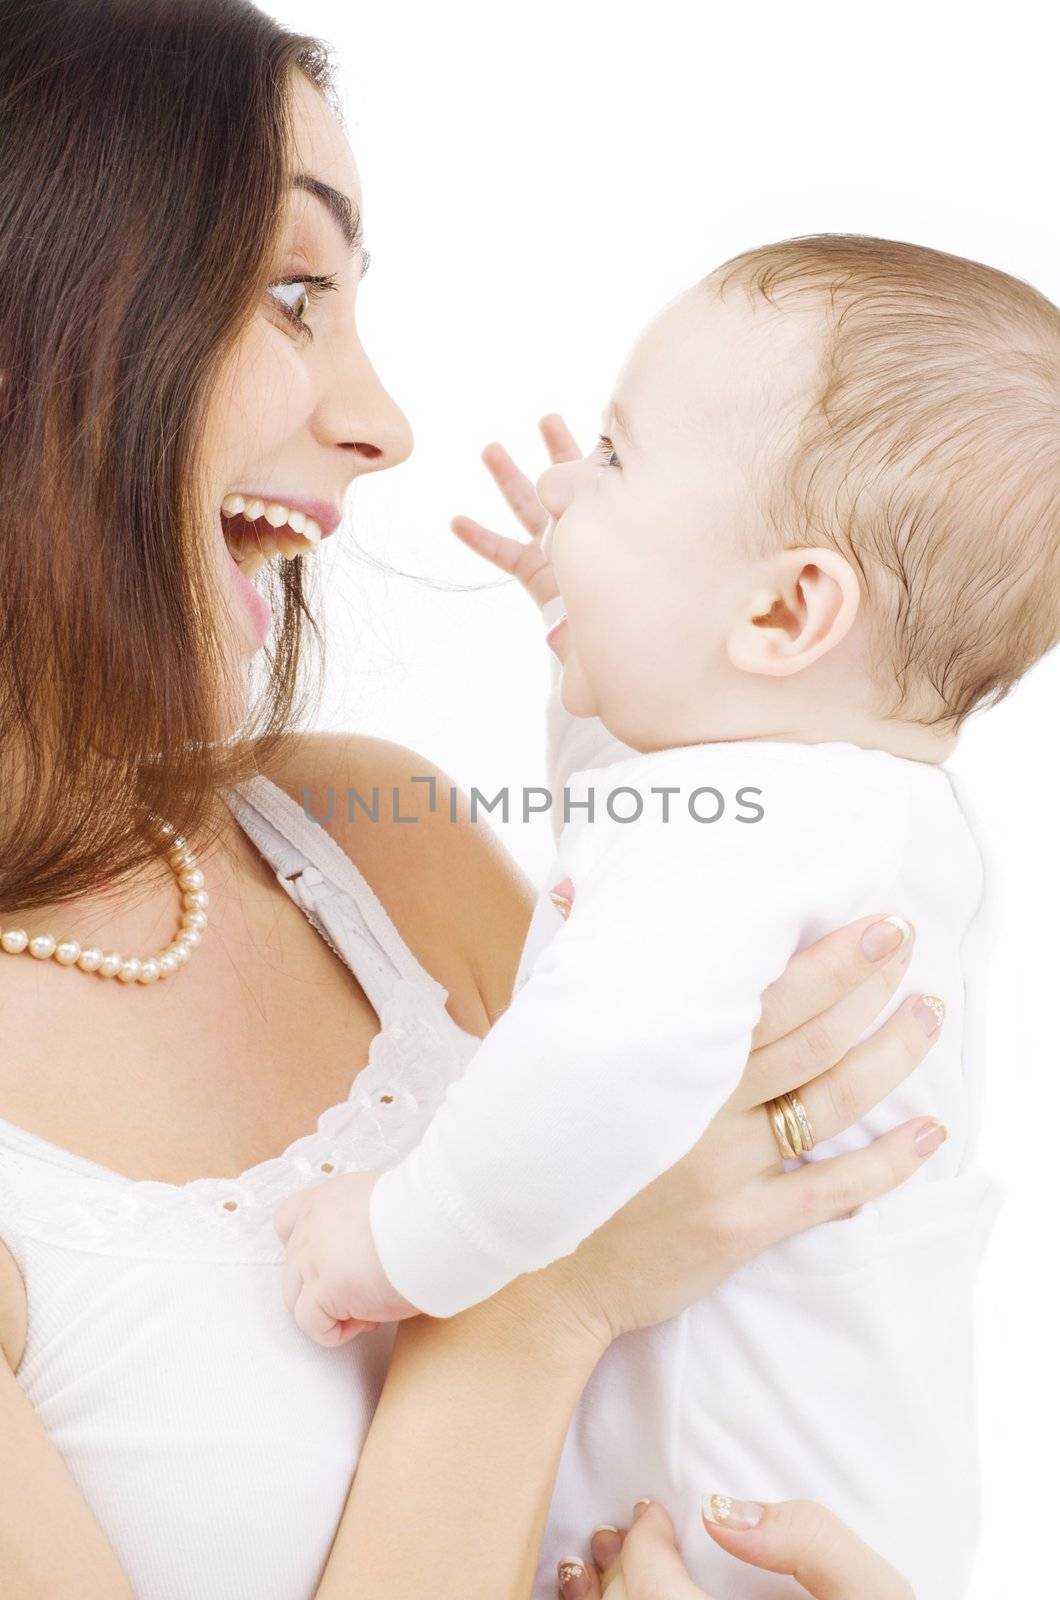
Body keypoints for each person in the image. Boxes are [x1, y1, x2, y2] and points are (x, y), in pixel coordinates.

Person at [0, 4, 949, 1596]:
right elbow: (606, 1258)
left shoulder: (377, 842)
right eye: (294, 291)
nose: (384, 422)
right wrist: (540, 1298)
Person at [272, 235, 1036, 1594]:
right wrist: (594, 629)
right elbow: (627, 837)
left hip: (727, 1537)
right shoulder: (857, 811)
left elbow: (607, 1060)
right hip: (830, 1510)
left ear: (790, 607)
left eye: (614, 461)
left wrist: (395, 1242)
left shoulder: (745, 833)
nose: (564, 483)